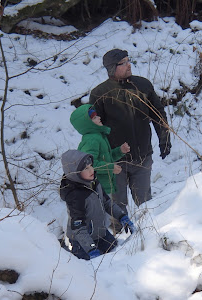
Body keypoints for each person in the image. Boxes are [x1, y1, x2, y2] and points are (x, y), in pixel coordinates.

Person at [89, 48, 171, 224]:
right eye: (123, 62)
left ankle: (149, 236)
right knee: (116, 207)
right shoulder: (100, 93)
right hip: (115, 161)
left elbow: (158, 114)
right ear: (112, 68)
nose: (129, 65)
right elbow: (94, 129)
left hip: (142, 158)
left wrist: (164, 139)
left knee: (146, 205)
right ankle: (120, 244)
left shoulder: (143, 85)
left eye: (128, 60)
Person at [59, 149, 136, 260]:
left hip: (100, 233)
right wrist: (91, 248)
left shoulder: (94, 182)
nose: (92, 170)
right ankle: (66, 252)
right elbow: (78, 227)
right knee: (93, 267)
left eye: (91, 166)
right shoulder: (75, 196)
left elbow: (107, 202)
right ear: (75, 173)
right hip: (81, 241)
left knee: (117, 252)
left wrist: (122, 216)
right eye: (86, 168)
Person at [69, 104, 130, 195]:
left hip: (104, 186)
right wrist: (111, 168)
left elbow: (106, 158)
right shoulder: (92, 140)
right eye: (94, 118)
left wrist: (120, 151)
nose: (99, 118)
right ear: (88, 124)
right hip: (98, 187)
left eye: (96, 115)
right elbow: (90, 164)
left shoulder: (99, 136)